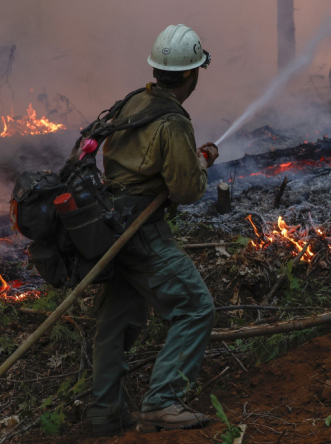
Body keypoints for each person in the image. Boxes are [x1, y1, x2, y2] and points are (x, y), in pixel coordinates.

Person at [85, 24, 221, 434]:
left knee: (117, 321)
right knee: (196, 308)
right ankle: (163, 400)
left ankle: (104, 412)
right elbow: (186, 191)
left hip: (112, 228)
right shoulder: (173, 122)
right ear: (193, 74)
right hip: (142, 232)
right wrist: (201, 162)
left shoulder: (132, 102)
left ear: (157, 70)